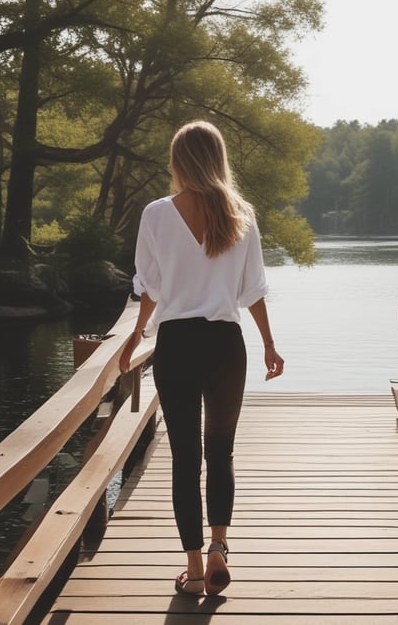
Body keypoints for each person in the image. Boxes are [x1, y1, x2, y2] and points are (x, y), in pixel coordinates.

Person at [119, 120, 284, 597]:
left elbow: (148, 288)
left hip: (178, 344)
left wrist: (136, 334)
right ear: (218, 160)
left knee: (185, 458)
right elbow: (253, 291)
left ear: (178, 162)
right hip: (227, 346)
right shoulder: (242, 214)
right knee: (221, 452)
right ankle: (219, 548)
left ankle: (194, 571)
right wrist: (270, 344)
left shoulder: (155, 214)